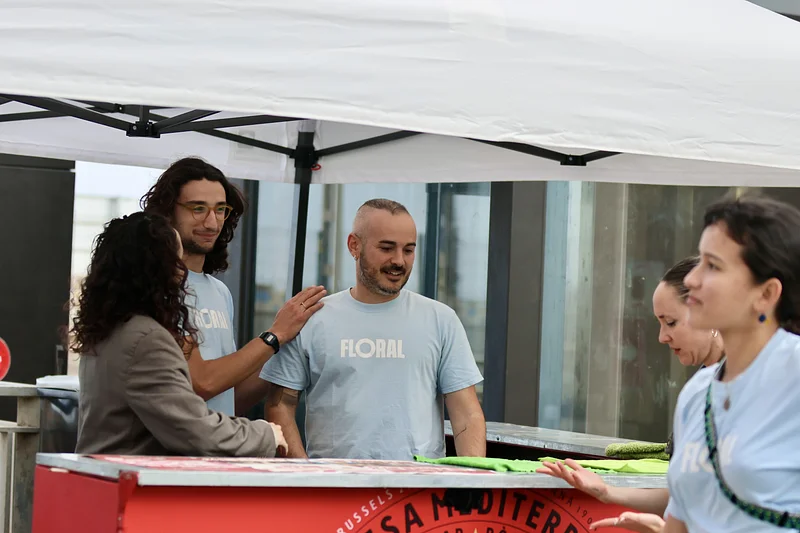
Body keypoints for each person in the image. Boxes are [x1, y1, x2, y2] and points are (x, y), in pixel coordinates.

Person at [260, 198, 487, 460]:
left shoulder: (441, 319)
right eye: (386, 248)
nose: (399, 261)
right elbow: (279, 406)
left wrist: (475, 477)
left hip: (418, 481)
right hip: (336, 481)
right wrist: (306, 474)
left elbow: (466, 413)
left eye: (408, 250)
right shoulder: (313, 318)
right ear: (354, 245)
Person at [73, 212, 287, 456]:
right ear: (161, 269)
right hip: (133, 476)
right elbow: (196, 431)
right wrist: (266, 434)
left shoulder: (107, 330)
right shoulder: (147, 340)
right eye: (177, 260)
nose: (183, 272)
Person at [537, 256, 724, 532]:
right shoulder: (699, 388)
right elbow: (684, 499)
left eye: (671, 322)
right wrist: (606, 492)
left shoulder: (754, 387)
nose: (662, 337)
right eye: (660, 323)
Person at [141, 157, 325, 416]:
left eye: (220, 210)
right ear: (168, 211)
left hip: (216, 439)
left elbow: (230, 398)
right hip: (170, 441)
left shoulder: (220, 292)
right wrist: (274, 336)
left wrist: (289, 346)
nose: (212, 223)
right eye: (198, 208)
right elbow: (202, 384)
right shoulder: (153, 284)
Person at [662, 195, 800, 532]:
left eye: (713, 265)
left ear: (766, 294)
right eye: (699, 262)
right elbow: (679, 521)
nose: (691, 280)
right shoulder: (696, 393)